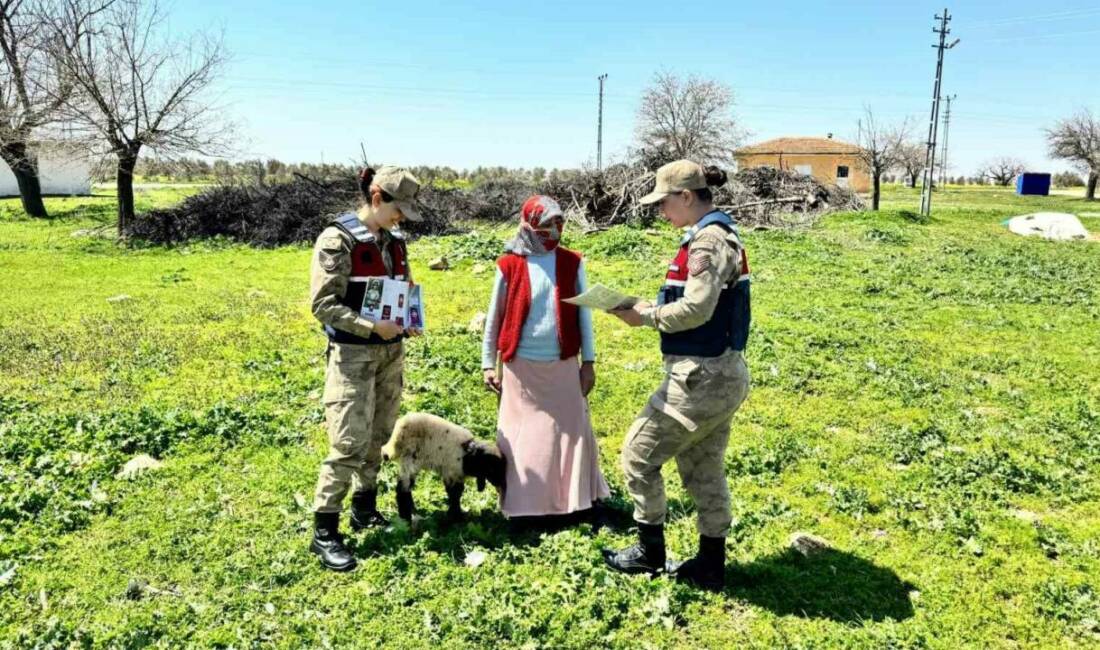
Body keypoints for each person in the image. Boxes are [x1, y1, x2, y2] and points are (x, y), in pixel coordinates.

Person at [602, 160, 751, 590]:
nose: (662, 213)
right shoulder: (718, 234)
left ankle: (649, 554)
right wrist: (650, 306)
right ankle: (710, 564)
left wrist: (647, 319)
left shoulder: (706, 241)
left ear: (686, 197)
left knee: (638, 455)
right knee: (702, 465)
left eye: (664, 203)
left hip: (700, 378)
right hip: (721, 374)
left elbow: (698, 308)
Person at [307, 166, 424, 571]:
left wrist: (409, 318)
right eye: (397, 208)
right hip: (353, 357)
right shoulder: (336, 240)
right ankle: (325, 531)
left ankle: (364, 505)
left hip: (390, 355)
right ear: (377, 198)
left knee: (379, 434)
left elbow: (402, 291)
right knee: (348, 443)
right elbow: (323, 305)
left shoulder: (394, 243)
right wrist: (372, 327)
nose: (402, 217)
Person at [481, 195, 610, 523]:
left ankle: (572, 502)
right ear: (530, 226)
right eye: (548, 224)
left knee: (570, 431)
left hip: (563, 363)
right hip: (521, 367)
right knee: (525, 437)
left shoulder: (571, 262)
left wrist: (589, 362)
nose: (555, 230)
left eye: (559, 223)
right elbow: (494, 318)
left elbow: (584, 316)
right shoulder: (509, 264)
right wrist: (487, 363)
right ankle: (526, 507)